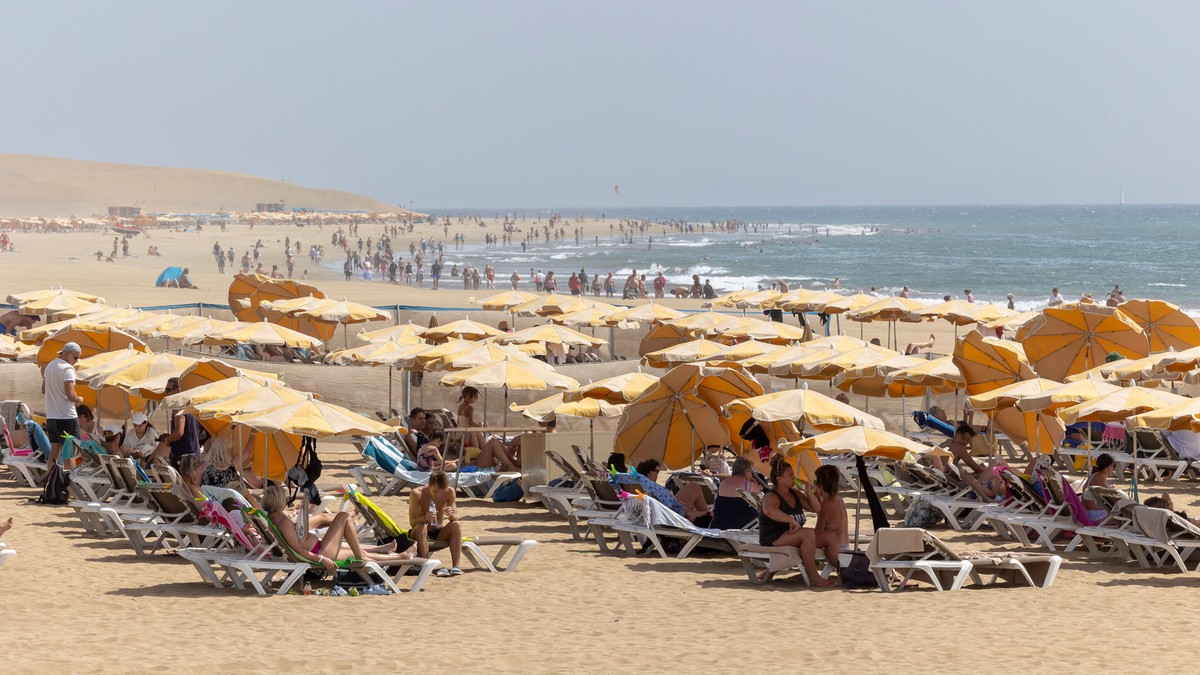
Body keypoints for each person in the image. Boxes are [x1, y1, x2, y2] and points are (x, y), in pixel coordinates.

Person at [263, 485, 411, 570]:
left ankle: (397, 555)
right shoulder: (283, 523)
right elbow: (299, 549)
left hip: (319, 548)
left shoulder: (274, 517)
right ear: (279, 501)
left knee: (356, 552)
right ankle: (382, 556)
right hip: (320, 552)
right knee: (344, 516)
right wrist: (321, 559)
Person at [756, 454, 834, 587]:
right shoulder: (771, 496)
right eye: (790, 475)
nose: (794, 477)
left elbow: (816, 508)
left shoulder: (795, 494)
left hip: (792, 535)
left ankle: (839, 569)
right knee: (807, 533)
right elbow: (769, 511)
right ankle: (814, 577)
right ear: (779, 479)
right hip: (774, 537)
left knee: (829, 536)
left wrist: (808, 492)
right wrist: (791, 521)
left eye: (793, 474)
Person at [618, 459, 712, 525]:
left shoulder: (639, 485)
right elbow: (659, 507)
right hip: (671, 516)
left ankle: (706, 515)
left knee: (694, 488)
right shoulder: (650, 488)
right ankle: (707, 516)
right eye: (657, 472)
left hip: (662, 514)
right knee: (694, 487)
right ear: (651, 472)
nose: (657, 475)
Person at [409, 471, 463, 577]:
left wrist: (451, 515)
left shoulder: (449, 492)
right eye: (436, 491)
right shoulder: (417, 494)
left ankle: (456, 567)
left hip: (438, 531)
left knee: (456, 524)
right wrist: (425, 518)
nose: (438, 495)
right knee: (421, 526)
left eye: (442, 492)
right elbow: (412, 522)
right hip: (419, 531)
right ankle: (425, 566)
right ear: (429, 485)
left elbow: (456, 517)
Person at [458, 386, 519, 470]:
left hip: (462, 433)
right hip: (471, 442)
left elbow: (461, 422)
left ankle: (508, 461)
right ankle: (510, 464)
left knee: (480, 435)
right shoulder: (470, 408)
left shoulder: (460, 408)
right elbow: (470, 423)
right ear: (470, 396)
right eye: (475, 397)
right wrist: (480, 426)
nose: (476, 400)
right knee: (487, 439)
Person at [42, 341, 83, 464]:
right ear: (67, 354)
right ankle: (67, 482)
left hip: (52, 417)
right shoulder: (67, 368)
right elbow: (70, 395)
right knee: (70, 453)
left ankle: (51, 480)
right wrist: (78, 399)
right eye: (75, 357)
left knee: (54, 452)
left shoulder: (49, 366)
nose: (76, 361)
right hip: (66, 417)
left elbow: (44, 390)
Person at [800, 464, 849, 565]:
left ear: (821, 486)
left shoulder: (826, 505)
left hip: (835, 549)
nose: (814, 485)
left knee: (802, 539)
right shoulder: (839, 500)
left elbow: (819, 531)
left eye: (815, 482)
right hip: (845, 545)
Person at [154, 377, 202, 468]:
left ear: (178, 390)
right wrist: (169, 436)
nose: (166, 393)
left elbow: (179, 432)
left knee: (180, 482)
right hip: (192, 455)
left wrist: (168, 440)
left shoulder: (179, 407)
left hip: (184, 457)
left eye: (168, 390)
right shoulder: (189, 405)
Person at [711, 456, 761, 530]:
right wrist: (756, 485)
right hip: (745, 527)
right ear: (747, 472)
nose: (752, 475)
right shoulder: (750, 485)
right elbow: (761, 507)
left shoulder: (723, 483)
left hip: (720, 525)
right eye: (751, 472)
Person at [1081, 453, 1115, 522]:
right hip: (1095, 514)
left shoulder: (1094, 475)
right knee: (1122, 515)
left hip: (1089, 511)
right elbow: (1108, 497)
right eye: (1113, 466)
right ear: (1108, 466)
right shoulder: (1101, 476)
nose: (1113, 469)